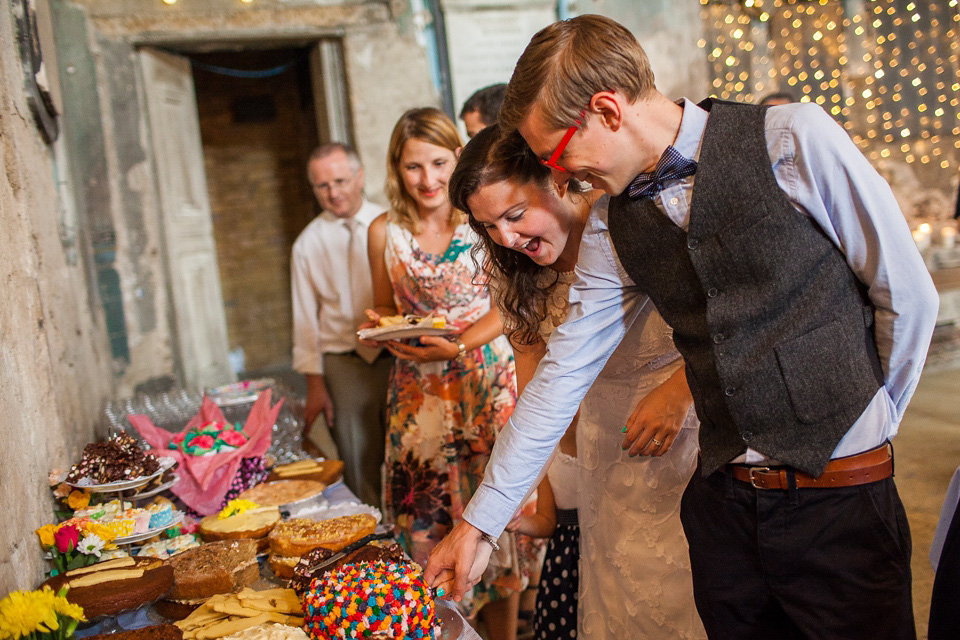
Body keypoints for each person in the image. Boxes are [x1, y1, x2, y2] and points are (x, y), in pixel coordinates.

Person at [427, 14, 939, 640]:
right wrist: (478, 524)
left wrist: (870, 425)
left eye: (556, 158)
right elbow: (561, 374)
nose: (563, 180)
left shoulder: (792, 139)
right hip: (722, 508)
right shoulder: (615, 224)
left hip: (839, 502)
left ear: (608, 111)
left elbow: (906, 297)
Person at [449, 124, 705, 638]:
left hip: (686, 444)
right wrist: (535, 497)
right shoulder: (512, 270)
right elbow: (539, 392)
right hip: (601, 458)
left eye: (515, 216)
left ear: (558, 178)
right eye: (489, 227)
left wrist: (681, 391)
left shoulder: (635, 228)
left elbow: (724, 326)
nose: (507, 239)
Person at [360, 107, 523, 639]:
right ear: (396, 169)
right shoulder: (383, 231)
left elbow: (512, 303)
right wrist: (383, 326)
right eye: (412, 167)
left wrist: (455, 345)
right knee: (426, 523)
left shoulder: (480, 216)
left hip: (483, 380)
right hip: (418, 395)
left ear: (458, 155)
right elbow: (385, 308)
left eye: (437, 162)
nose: (427, 179)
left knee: (494, 528)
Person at [291, 142, 391, 508]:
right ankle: (374, 537)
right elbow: (304, 319)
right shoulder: (307, 244)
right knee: (357, 454)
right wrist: (315, 385)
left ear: (359, 176)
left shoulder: (391, 223)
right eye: (322, 186)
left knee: (405, 449)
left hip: (397, 354)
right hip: (343, 361)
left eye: (340, 181)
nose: (333, 193)